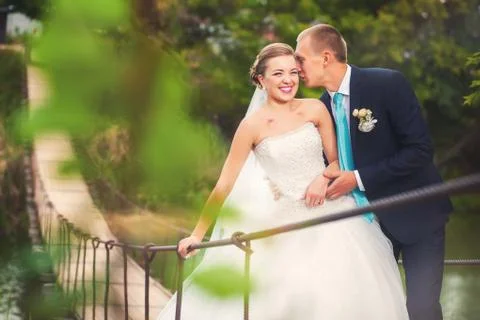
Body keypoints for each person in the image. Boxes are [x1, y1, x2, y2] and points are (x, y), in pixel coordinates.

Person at [156, 43, 408, 319]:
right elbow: (225, 184)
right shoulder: (252, 126)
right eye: (278, 74)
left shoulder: (315, 109)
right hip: (282, 223)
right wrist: (197, 233)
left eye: (292, 72)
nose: (288, 80)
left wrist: (323, 178)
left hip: (331, 216)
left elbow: (338, 162)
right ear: (261, 80)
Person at [294, 24, 453, 320]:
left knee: (420, 308)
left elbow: (419, 151)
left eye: (300, 59)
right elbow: (325, 161)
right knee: (375, 308)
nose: (296, 67)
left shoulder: (387, 84)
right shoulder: (319, 109)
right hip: (366, 227)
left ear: (325, 57)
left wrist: (357, 178)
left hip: (418, 216)